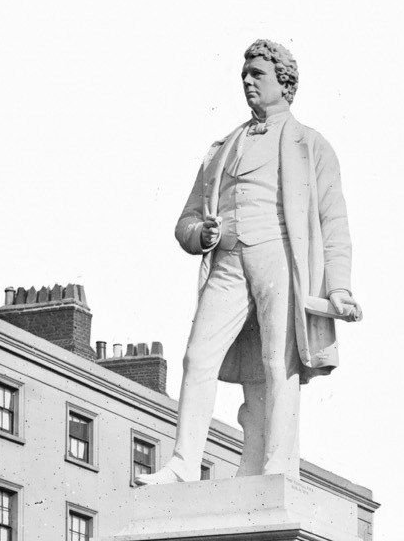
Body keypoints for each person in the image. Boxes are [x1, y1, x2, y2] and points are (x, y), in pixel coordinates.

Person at [145, 40, 362, 485]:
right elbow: (186, 219)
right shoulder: (222, 147)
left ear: (284, 83)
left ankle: (277, 465)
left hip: (280, 256)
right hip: (227, 260)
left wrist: (338, 287)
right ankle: (184, 463)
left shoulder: (311, 145)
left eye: (257, 74)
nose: (246, 81)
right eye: (244, 74)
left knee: (276, 361)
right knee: (198, 356)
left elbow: (333, 219)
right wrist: (199, 234)